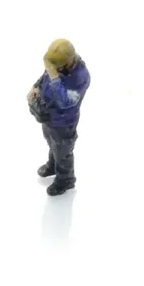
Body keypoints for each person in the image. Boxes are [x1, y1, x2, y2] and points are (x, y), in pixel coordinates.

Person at [27, 39, 91, 196]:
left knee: (63, 150)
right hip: (49, 116)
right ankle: (53, 164)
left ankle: (65, 179)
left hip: (64, 122)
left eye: (55, 67)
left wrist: (55, 78)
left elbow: (65, 102)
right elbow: (44, 77)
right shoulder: (57, 66)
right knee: (51, 142)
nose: (52, 70)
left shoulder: (80, 76)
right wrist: (36, 87)